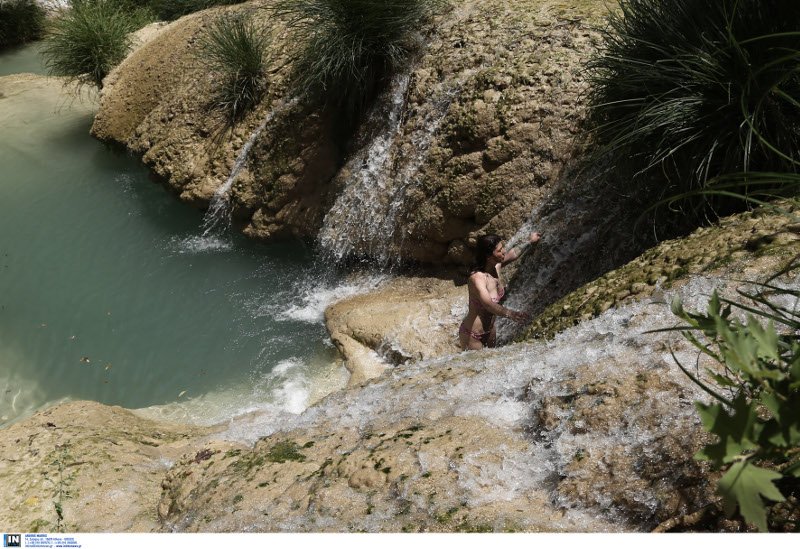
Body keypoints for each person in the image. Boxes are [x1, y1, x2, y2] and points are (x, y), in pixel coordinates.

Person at [458, 232, 541, 351]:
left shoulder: (496, 266)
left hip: (490, 330)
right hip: (472, 335)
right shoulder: (477, 279)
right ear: (488, 256)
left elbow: (513, 253)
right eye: (499, 250)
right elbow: (488, 304)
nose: (503, 252)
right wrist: (511, 314)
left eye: (502, 248)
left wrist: (530, 241)